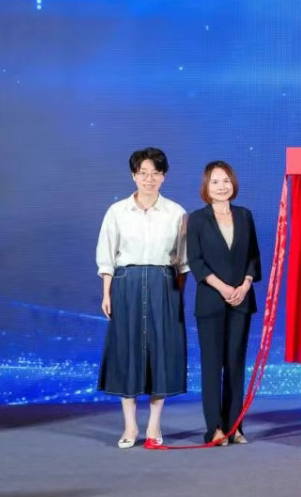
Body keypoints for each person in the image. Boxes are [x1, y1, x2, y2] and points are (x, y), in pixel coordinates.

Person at [97, 147, 188, 449]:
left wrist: (176, 296)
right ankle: (130, 425)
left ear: (164, 176)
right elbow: (107, 256)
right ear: (133, 175)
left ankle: (154, 425)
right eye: (143, 173)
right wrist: (106, 293)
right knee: (128, 350)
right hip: (127, 283)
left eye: (155, 173)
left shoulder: (176, 213)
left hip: (164, 284)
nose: (149, 179)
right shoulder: (117, 211)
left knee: (160, 352)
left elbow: (183, 263)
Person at [186, 161, 261, 445]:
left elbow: (253, 256)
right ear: (206, 186)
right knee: (212, 365)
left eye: (226, 180)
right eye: (215, 181)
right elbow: (196, 261)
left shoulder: (245, 215)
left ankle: (235, 427)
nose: (221, 186)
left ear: (234, 184)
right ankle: (215, 429)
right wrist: (223, 287)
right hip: (211, 302)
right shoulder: (197, 219)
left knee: (235, 364)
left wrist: (245, 285)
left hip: (241, 300)